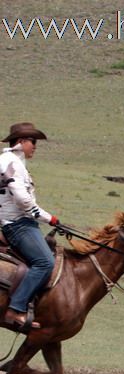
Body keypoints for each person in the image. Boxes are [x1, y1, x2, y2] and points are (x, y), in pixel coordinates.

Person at [0, 122, 61, 332]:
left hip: (19, 222)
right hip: (18, 224)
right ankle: (15, 309)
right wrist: (49, 218)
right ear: (21, 141)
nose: (35, 146)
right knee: (45, 262)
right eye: (33, 142)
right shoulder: (10, 163)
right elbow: (22, 200)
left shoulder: (14, 162)